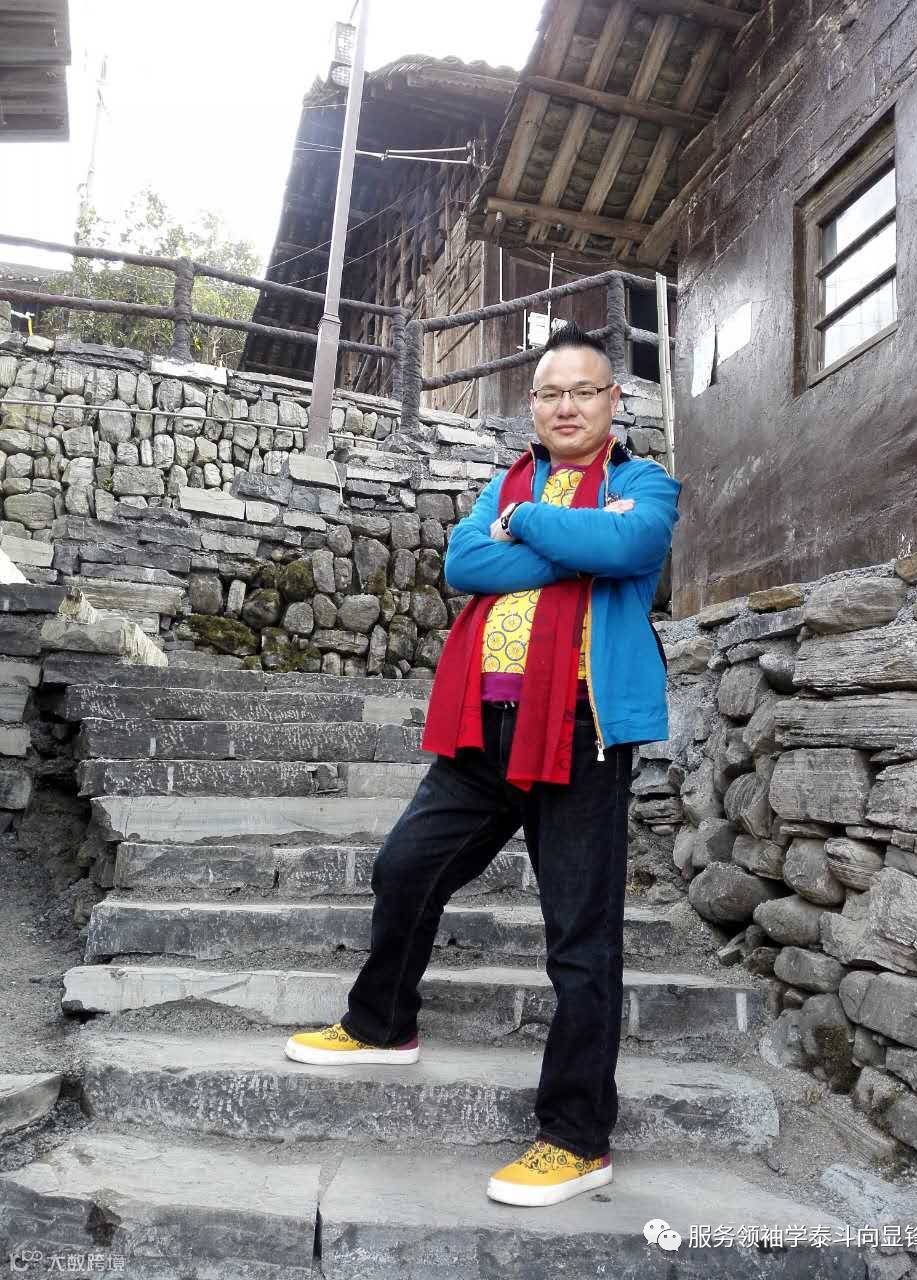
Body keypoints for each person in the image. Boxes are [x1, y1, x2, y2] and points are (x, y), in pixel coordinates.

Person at [285, 322, 681, 1207]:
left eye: (583, 391)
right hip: (482, 727)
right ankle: (382, 1024)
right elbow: (465, 562)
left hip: (579, 730)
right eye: (550, 393)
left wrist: (530, 526)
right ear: (531, 405)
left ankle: (576, 1138)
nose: (566, 406)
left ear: (613, 401)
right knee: (404, 867)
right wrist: (570, 537)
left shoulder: (642, 485)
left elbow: (629, 550)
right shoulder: (502, 482)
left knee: (581, 938)